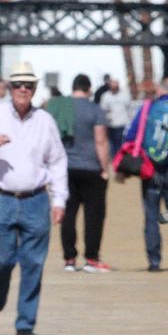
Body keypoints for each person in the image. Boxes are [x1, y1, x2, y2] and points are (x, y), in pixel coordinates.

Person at [0, 61, 67, 335]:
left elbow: (57, 161)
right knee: (3, 260)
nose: (23, 89)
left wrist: (60, 200)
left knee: (33, 263)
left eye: (28, 85)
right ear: (9, 87)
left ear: (35, 88)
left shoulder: (45, 121)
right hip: (2, 200)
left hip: (36, 200)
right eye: (18, 84)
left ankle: (25, 324)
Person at [123, 77, 168, 272]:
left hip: (150, 169)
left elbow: (131, 134)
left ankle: (154, 261)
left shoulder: (148, 109)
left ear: (160, 90)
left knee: (152, 215)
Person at [59, 74, 113, 273]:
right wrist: (105, 168)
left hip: (66, 167)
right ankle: (91, 258)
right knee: (94, 216)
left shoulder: (62, 108)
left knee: (68, 215)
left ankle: (69, 259)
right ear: (89, 89)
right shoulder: (95, 109)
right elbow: (101, 141)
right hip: (91, 168)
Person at [100, 76, 134, 156]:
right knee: (113, 146)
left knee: (122, 144)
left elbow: (130, 109)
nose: (114, 86)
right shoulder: (106, 96)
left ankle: (121, 160)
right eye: (112, 84)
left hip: (123, 124)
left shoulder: (125, 95)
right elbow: (102, 110)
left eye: (116, 84)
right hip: (111, 125)